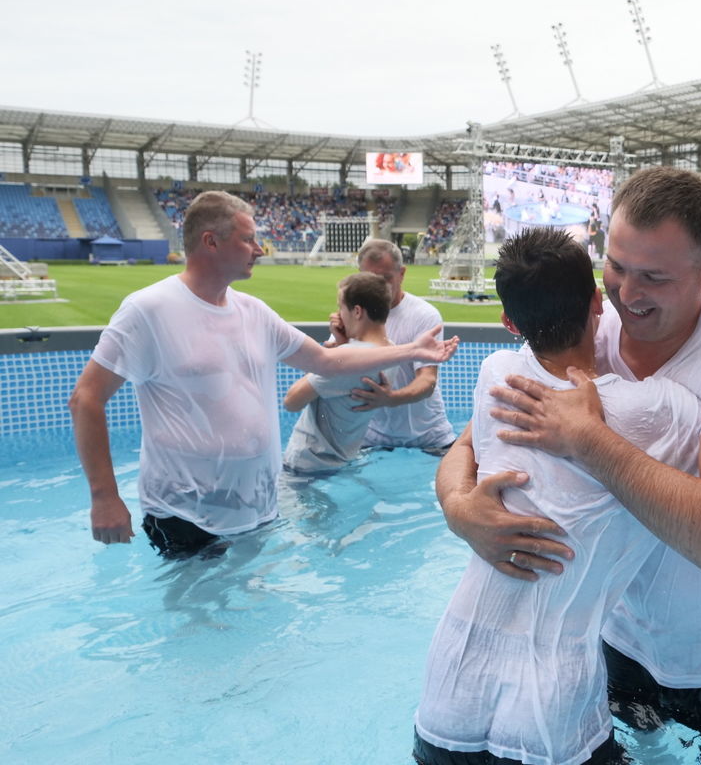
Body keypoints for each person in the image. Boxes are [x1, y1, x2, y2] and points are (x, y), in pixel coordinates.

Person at [436, 167, 701, 765]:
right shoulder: (590, 327)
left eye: (654, 277)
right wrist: (459, 507)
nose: (626, 294)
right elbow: (470, 443)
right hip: (615, 641)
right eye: (616, 268)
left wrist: (589, 440)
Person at [413, 228, 701, 765]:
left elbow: (466, 448)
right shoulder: (654, 410)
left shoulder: (496, 373)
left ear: (509, 321)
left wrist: (454, 502)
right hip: (552, 711)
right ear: (600, 301)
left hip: (450, 687)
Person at [68, 191, 458, 558]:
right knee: (198, 624)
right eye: (248, 239)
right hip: (185, 513)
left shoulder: (254, 312)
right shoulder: (148, 310)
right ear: (211, 242)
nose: (258, 249)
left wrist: (411, 350)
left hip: (257, 507)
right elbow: (86, 398)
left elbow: (325, 361)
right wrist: (105, 497)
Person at [340, 239, 456, 453]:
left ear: (401, 274)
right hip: (373, 438)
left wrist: (391, 399)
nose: (377, 286)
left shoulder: (423, 315)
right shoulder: (353, 314)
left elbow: (427, 379)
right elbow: (335, 371)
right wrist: (339, 341)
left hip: (428, 437)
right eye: (369, 278)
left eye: (385, 279)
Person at [282, 272, 393, 474]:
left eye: (341, 307)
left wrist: (330, 358)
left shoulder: (346, 360)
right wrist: (343, 345)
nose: (338, 315)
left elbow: (292, 401)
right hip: (343, 461)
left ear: (357, 311)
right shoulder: (392, 353)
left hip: (307, 464)